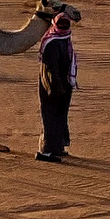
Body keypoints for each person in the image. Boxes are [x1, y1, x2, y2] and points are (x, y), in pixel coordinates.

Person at [35, 14, 77, 162]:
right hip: (51, 86)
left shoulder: (63, 39)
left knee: (60, 116)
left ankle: (57, 147)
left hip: (62, 85)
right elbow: (50, 69)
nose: (65, 26)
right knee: (51, 117)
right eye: (63, 23)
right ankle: (47, 152)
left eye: (67, 23)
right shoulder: (52, 43)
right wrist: (57, 87)